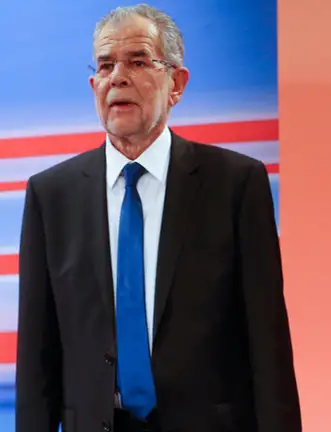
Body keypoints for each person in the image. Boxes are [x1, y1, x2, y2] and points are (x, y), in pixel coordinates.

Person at [15, 4, 301, 432]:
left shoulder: (235, 184)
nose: (118, 78)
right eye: (106, 65)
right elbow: (36, 356)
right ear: (94, 85)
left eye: (137, 61)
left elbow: (268, 342)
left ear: (176, 84)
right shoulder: (51, 195)